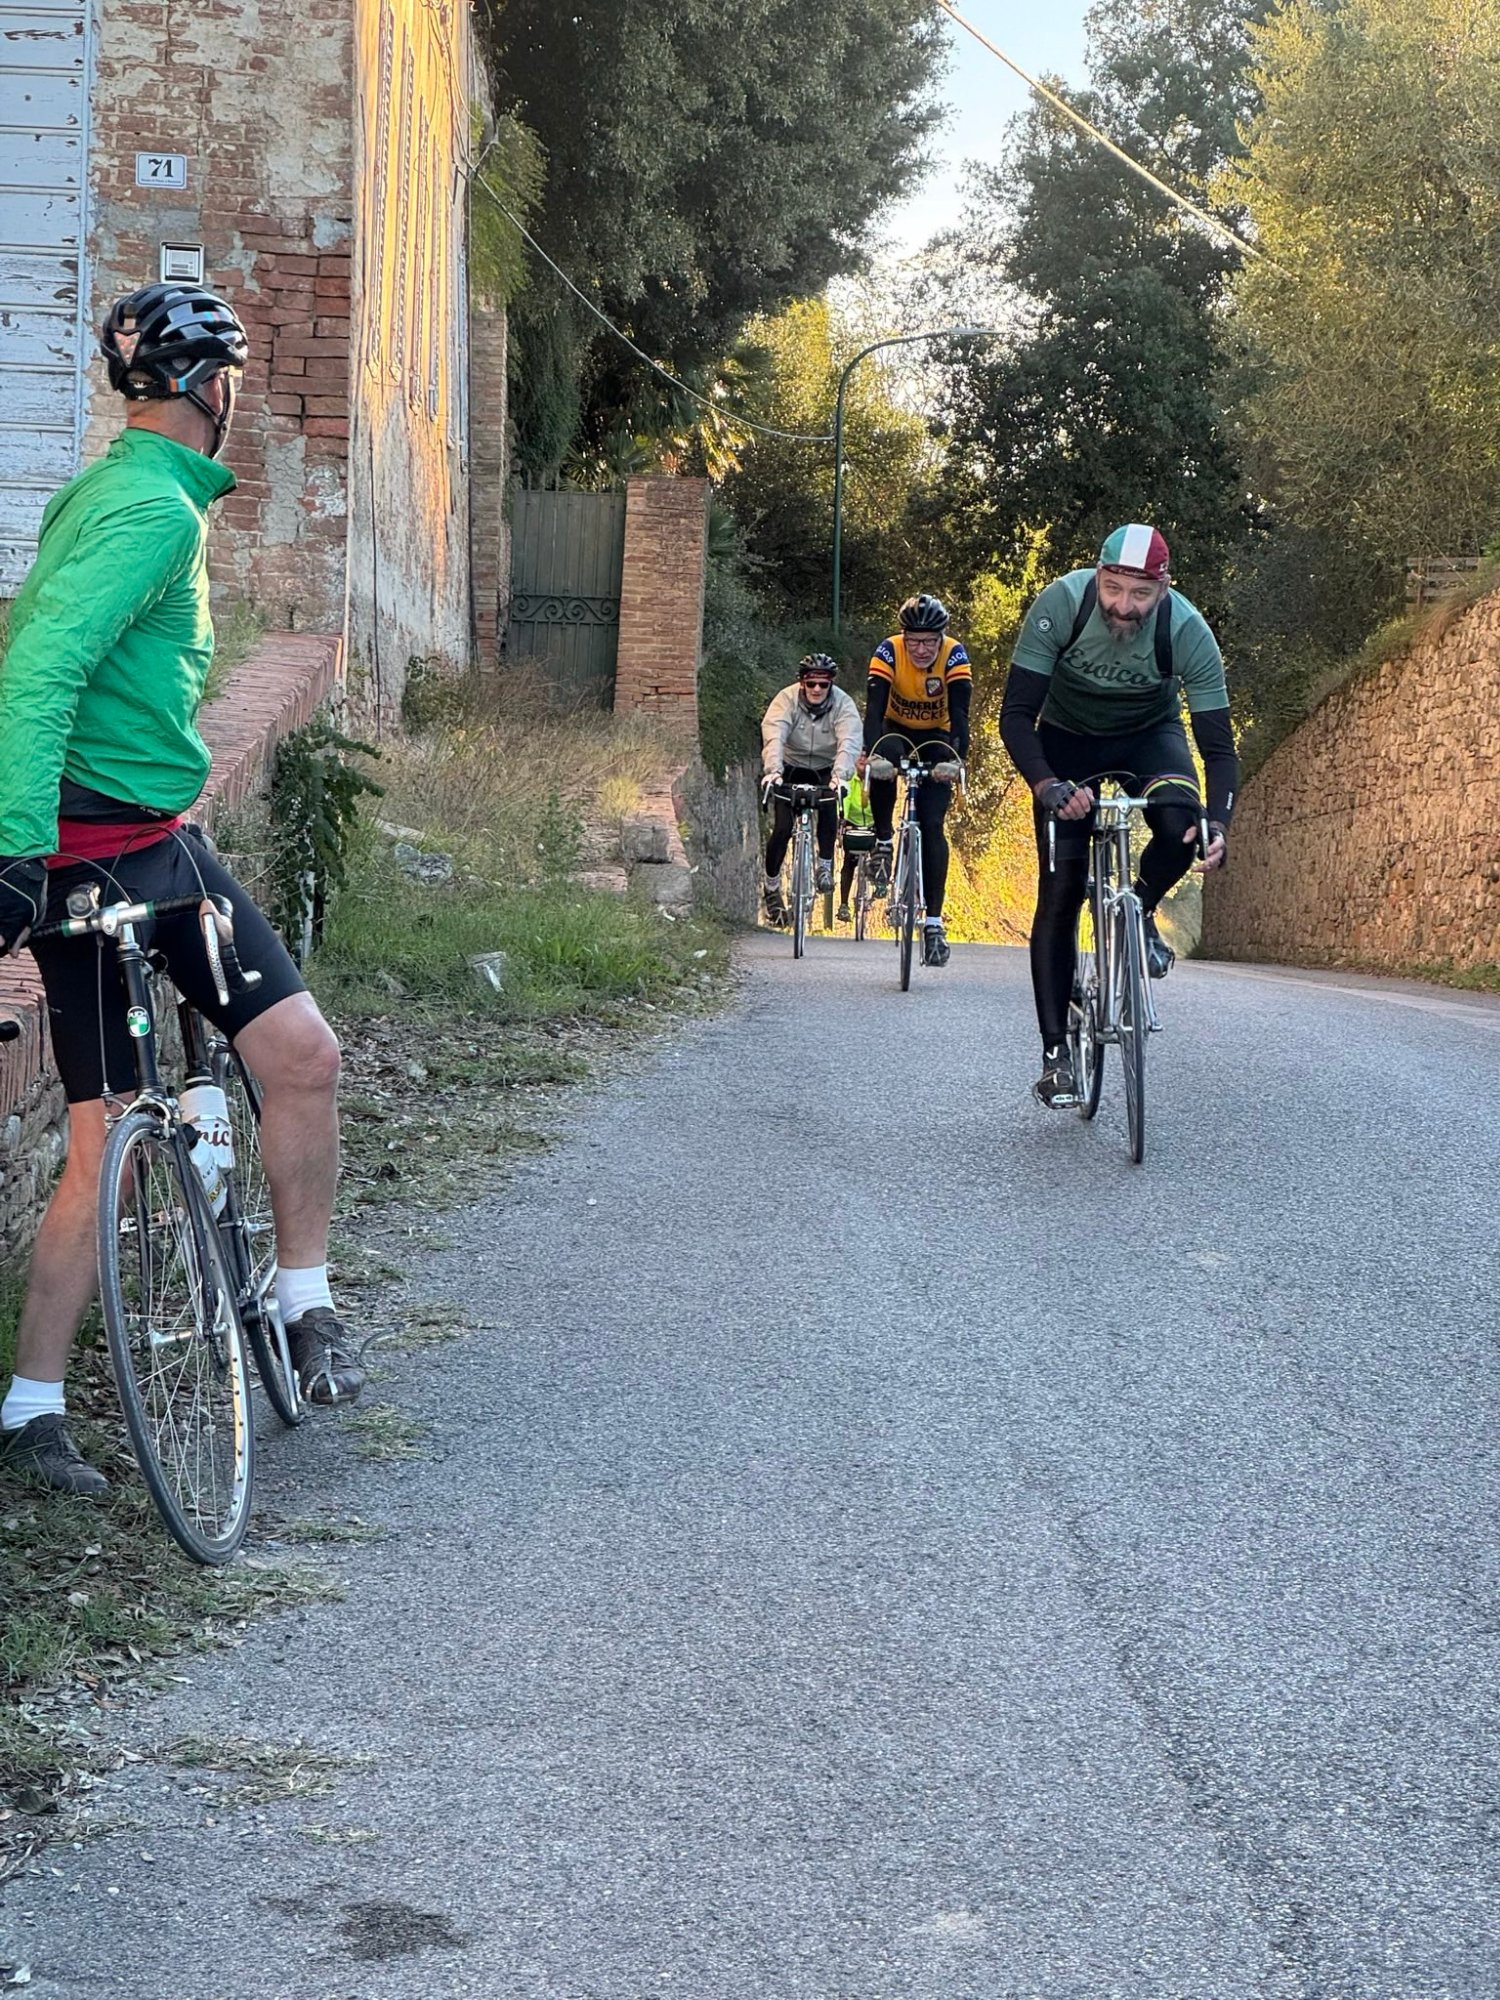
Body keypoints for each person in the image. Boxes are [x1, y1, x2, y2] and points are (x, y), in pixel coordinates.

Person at [0, 283, 365, 1498]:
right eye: (234, 380)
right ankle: (40, 1401)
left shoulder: (116, 488)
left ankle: (293, 1308)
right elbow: (39, 663)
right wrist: (16, 850)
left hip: (149, 843)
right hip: (95, 856)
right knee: (125, 1128)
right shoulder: (151, 510)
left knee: (279, 1063)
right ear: (214, 387)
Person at [1000, 523, 1236, 1108]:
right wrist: (1048, 786)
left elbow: (1218, 749)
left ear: (1163, 589)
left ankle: (1140, 908)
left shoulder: (1187, 630)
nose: (1123, 606)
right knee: (1061, 893)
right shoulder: (1062, 603)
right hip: (1067, 741)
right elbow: (1016, 715)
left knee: (1181, 823)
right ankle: (1056, 1055)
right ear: (1098, 576)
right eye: (1113, 589)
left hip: (1148, 738)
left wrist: (1218, 825)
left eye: (1140, 594)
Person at [860, 593, 970, 967]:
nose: (921, 650)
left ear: (941, 637)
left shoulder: (954, 655)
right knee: (884, 760)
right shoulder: (888, 651)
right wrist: (871, 753)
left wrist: (957, 760)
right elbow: (874, 710)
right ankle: (884, 840)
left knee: (933, 824)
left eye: (929, 641)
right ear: (903, 637)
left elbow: (961, 714)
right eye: (914, 641)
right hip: (895, 729)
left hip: (938, 736)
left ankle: (934, 925)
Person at [759, 654, 861, 926]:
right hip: (790, 766)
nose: (817, 689)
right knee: (782, 828)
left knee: (829, 806)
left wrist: (840, 776)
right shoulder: (786, 699)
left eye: (823, 684)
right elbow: (775, 734)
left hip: (825, 768)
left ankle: (825, 865)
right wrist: (773, 771)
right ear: (801, 682)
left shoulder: (843, 704)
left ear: (831, 684)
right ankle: (771, 888)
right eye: (811, 683)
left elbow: (849, 740)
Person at [834, 767, 876, 924]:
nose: (863, 761)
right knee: (849, 861)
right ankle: (844, 904)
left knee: (880, 852)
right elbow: (845, 798)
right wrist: (842, 817)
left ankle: (879, 883)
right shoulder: (851, 780)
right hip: (852, 823)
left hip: (873, 823)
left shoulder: (877, 780)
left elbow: (882, 802)